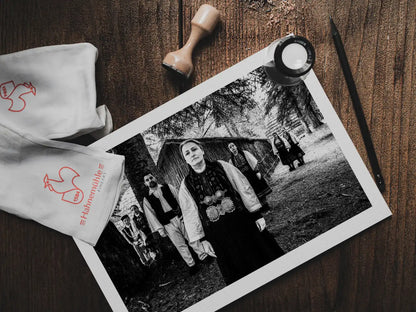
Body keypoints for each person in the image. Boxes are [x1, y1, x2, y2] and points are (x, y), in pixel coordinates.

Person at [178, 139, 285, 285]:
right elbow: (190, 214)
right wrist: (202, 241)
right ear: (185, 159)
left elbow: (243, 187)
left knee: (265, 258)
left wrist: (256, 215)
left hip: (243, 223)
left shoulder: (222, 166)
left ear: (202, 151)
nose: (192, 154)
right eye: (187, 153)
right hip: (219, 236)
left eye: (194, 149)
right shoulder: (186, 184)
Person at [142, 173, 213, 275]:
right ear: (145, 184)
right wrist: (160, 229)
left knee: (192, 237)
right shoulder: (147, 199)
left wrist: (185, 214)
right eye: (147, 180)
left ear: (155, 177)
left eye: (151, 178)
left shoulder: (168, 187)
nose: (150, 180)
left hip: (179, 217)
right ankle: (191, 264)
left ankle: (203, 256)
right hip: (167, 224)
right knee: (180, 245)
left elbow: (180, 199)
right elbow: (151, 216)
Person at [228, 142, 272, 213]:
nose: (232, 148)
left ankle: (266, 205)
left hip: (252, 174)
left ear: (236, 146)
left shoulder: (245, 153)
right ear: (229, 150)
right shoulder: (231, 161)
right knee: (252, 193)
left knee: (260, 190)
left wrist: (257, 171)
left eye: (233, 145)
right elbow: (234, 172)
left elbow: (253, 162)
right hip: (244, 179)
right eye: (230, 147)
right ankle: (260, 207)